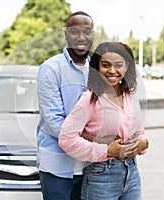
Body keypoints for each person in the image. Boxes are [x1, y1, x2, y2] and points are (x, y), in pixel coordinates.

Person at [59, 42, 149, 200]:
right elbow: (66, 139)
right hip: (101, 176)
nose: (112, 71)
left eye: (118, 65)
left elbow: (139, 132)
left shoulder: (130, 97)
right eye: (105, 65)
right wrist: (106, 151)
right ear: (96, 68)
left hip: (132, 173)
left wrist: (143, 143)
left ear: (127, 67)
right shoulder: (90, 99)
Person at [36, 11, 94, 200]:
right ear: (66, 34)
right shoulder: (50, 69)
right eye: (75, 31)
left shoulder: (98, 69)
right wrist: (95, 140)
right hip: (57, 169)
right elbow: (53, 120)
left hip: (91, 168)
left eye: (87, 31)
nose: (81, 37)